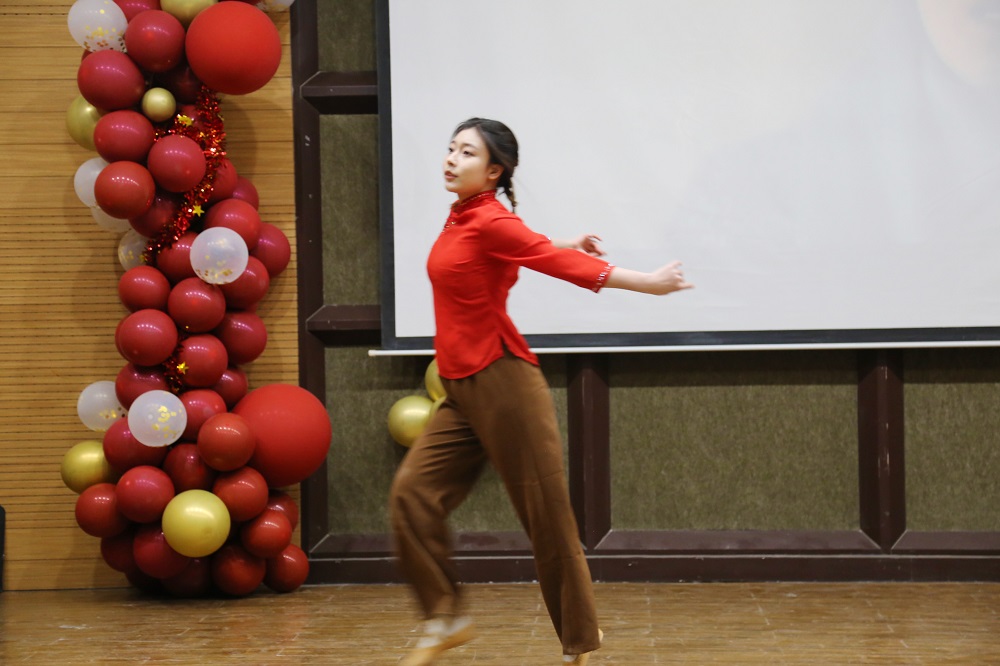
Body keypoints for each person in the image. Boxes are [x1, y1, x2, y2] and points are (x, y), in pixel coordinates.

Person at [389, 117, 693, 666]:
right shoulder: (466, 215)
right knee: (411, 495)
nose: (451, 159)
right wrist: (561, 238)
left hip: (504, 383)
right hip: (461, 390)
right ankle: (445, 617)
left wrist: (647, 283)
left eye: (467, 153)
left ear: (494, 171)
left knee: (546, 517)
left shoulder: (490, 219)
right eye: (451, 148)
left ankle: (580, 642)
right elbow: (517, 246)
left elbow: (556, 264)